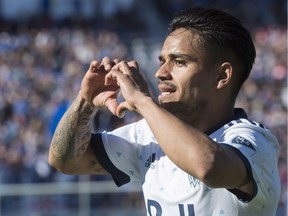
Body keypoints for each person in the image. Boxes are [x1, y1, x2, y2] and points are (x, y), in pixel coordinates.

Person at [48, 7, 281, 216]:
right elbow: (65, 160)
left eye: (179, 62)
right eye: (162, 61)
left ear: (222, 76)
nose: (160, 73)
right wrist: (85, 102)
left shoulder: (254, 141)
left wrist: (142, 101)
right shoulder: (148, 134)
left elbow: (208, 166)